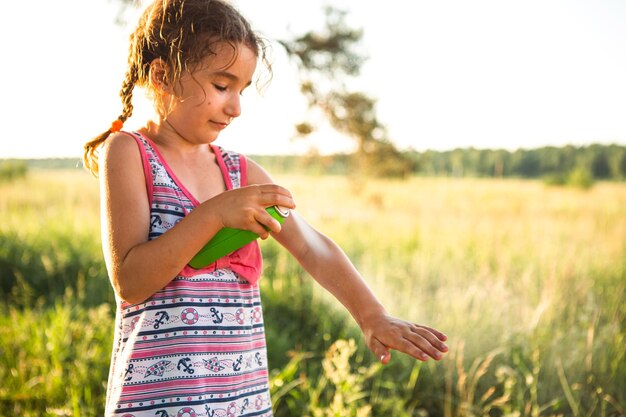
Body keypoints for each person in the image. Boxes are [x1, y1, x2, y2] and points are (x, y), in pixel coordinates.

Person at [83, 1, 448, 416]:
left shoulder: (241, 173)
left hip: (241, 398)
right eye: (222, 86)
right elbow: (129, 281)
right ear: (163, 75)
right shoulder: (130, 152)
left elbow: (313, 247)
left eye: (242, 90)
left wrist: (372, 315)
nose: (236, 107)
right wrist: (214, 216)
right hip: (160, 401)